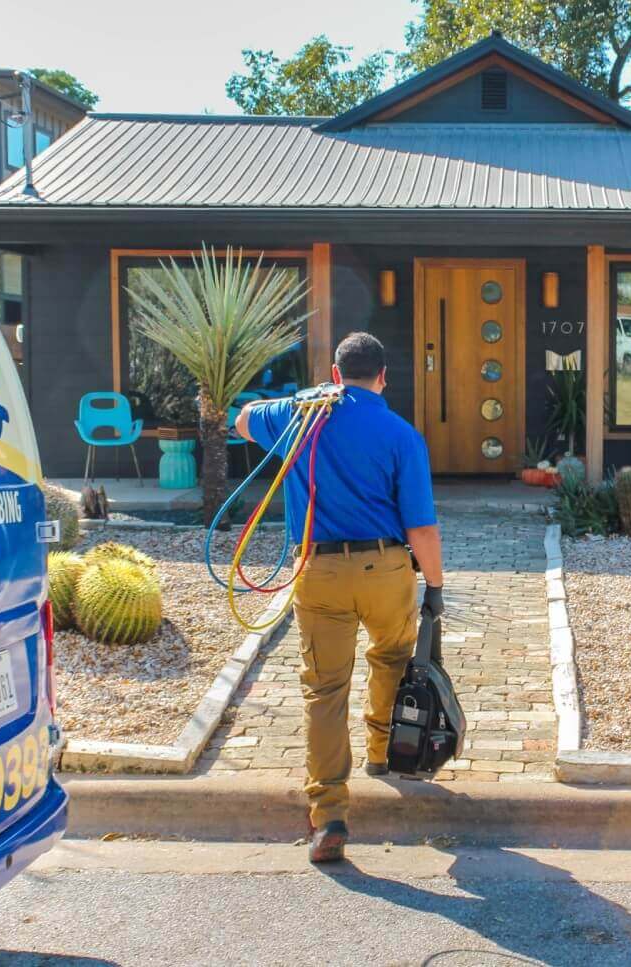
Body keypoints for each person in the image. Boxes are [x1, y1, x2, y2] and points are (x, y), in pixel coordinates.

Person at [237, 331, 444, 864]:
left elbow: (242, 419)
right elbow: (422, 528)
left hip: (320, 570)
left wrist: (300, 399)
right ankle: (381, 752)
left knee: (325, 690)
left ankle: (328, 814)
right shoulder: (400, 433)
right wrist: (436, 587)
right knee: (393, 660)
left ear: (334, 374)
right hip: (386, 568)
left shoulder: (301, 416)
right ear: (383, 378)